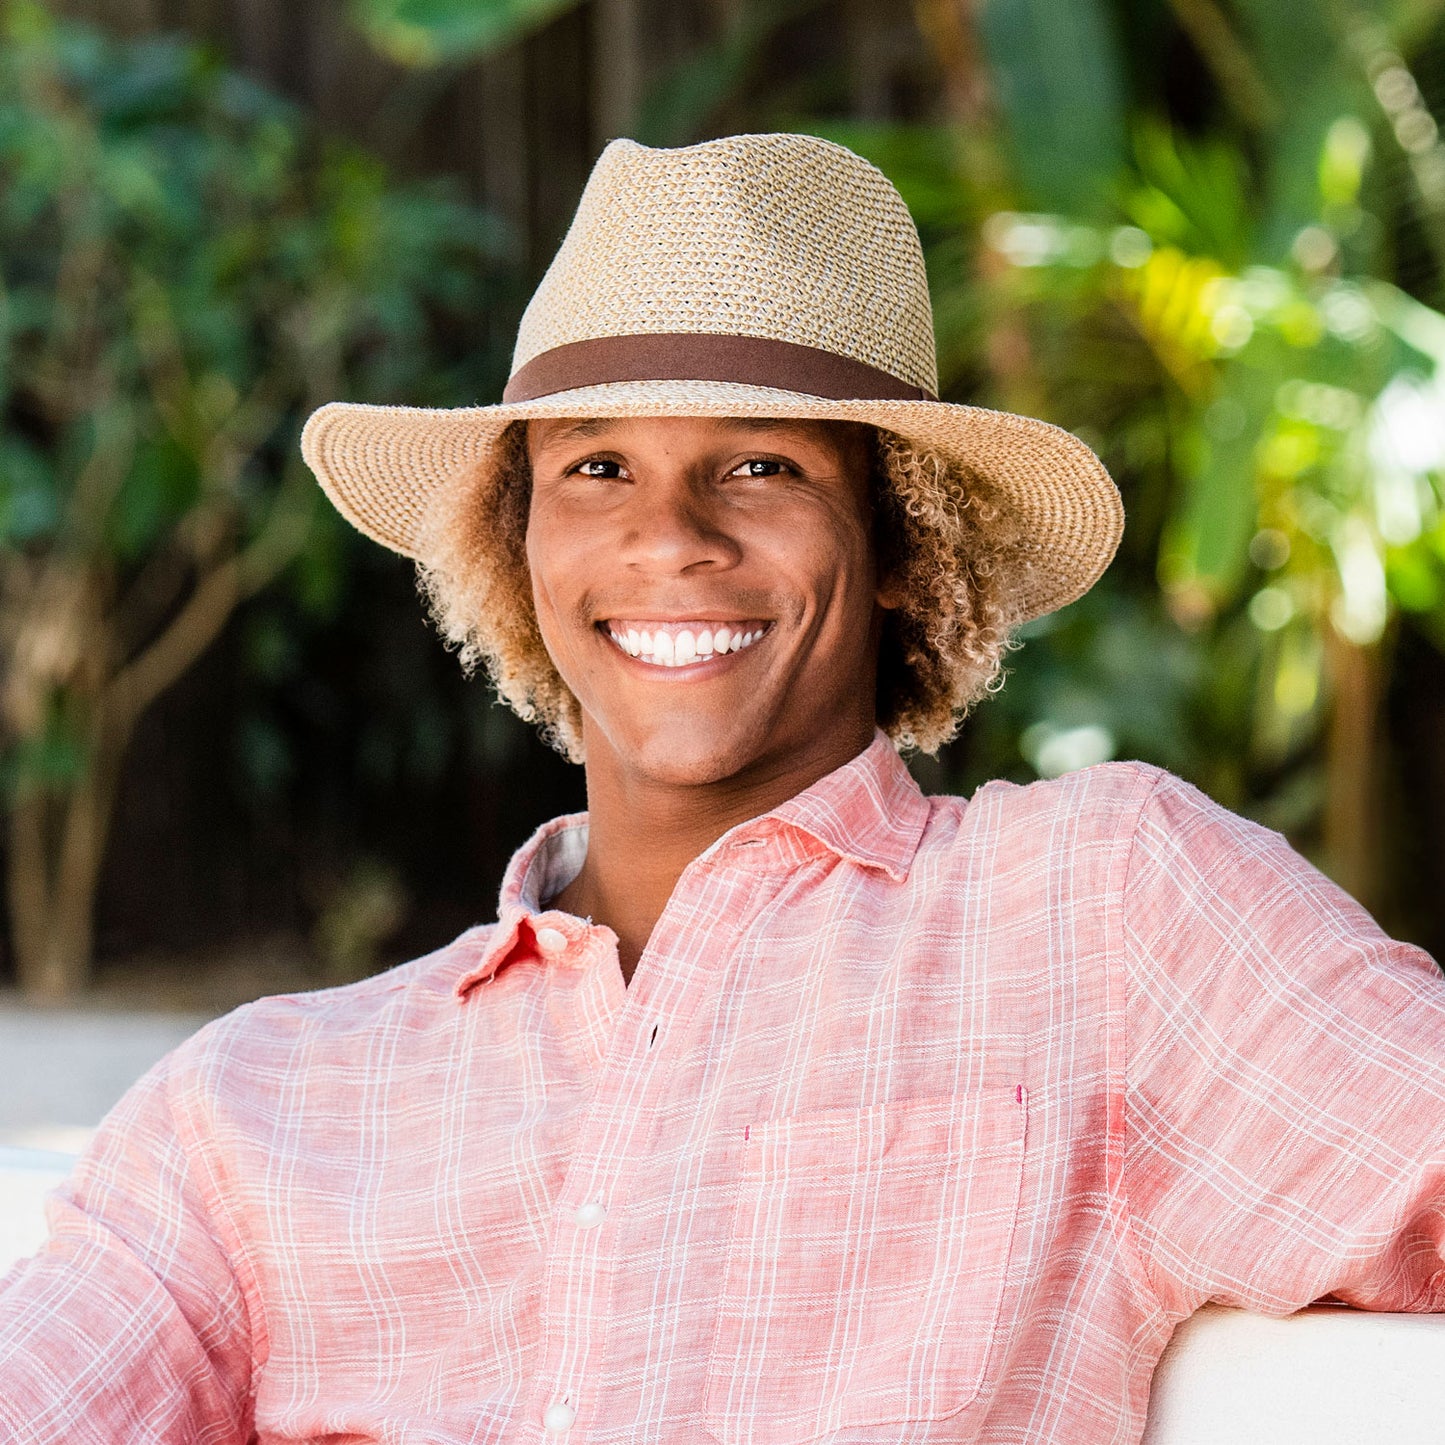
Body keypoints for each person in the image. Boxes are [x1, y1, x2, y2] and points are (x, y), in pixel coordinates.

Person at [2, 130, 1444, 1445]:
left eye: (758, 465)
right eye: (596, 467)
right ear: (518, 550)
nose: (668, 536)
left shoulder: (1103, 913)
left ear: (897, 545)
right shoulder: (259, 1110)